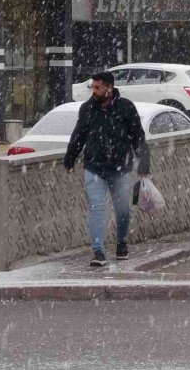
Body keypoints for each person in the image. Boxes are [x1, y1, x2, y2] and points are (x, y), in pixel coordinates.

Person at [64, 71, 150, 267]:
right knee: (96, 208)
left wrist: (143, 164)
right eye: (93, 87)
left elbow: (138, 137)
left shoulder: (126, 107)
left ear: (109, 88)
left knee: (122, 211)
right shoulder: (87, 109)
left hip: (121, 169)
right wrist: (69, 159)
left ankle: (121, 243)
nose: (94, 91)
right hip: (94, 167)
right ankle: (98, 252)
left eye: (98, 87)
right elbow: (79, 135)